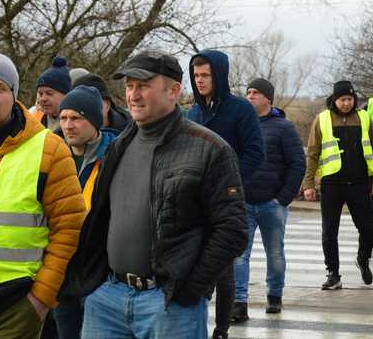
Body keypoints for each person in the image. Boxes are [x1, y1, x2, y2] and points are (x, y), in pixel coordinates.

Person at [60, 50, 247, 339]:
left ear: (174, 91)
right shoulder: (118, 146)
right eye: (130, 86)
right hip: (107, 300)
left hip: (169, 305)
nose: (133, 95)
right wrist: (93, 284)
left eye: (143, 86)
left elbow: (232, 230)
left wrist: (189, 290)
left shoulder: (210, 148)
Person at [0, 52, 85, 337]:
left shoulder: (49, 148)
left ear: (14, 94)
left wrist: (41, 298)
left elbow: (69, 228)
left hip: (16, 307)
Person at [187, 50, 264, 339]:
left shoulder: (240, 109)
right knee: (196, 262)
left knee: (225, 266)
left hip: (227, 200)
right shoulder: (193, 112)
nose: (200, 81)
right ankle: (195, 322)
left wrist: (231, 186)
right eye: (196, 76)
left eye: (205, 75)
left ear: (218, 75)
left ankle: (221, 329)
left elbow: (256, 153)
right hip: (195, 202)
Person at [232, 78, 305, 322]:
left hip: (272, 204)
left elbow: (297, 163)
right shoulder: (242, 126)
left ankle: (275, 295)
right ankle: (239, 302)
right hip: (244, 202)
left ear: (268, 98)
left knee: (275, 254)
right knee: (239, 255)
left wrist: (282, 198)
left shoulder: (284, 127)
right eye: (248, 92)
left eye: (255, 93)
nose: (250, 96)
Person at [54, 85, 118, 339]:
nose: (68, 125)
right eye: (64, 118)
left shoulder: (116, 155)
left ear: (94, 121)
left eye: (76, 118)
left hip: (99, 272)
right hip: (62, 270)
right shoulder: (53, 155)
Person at [302, 80, 373, 290]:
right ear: (335, 100)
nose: (346, 103)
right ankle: (333, 273)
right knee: (329, 231)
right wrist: (309, 184)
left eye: (350, 99)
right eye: (342, 99)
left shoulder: (364, 117)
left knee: (368, 228)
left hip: (360, 183)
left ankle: (363, 259)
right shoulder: (322, 119)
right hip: (332, 183)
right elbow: (313, 154)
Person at [35, 56, 71, 131]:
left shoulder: (76, 126)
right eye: (40, 94)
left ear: (66, 95)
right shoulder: (34, 120)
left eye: (49, 93)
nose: (43, 99)